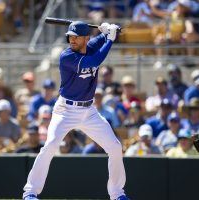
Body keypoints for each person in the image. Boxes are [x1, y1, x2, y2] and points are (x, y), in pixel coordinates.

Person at [22, 21, 129, 200]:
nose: (72, 39)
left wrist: (106, 31)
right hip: (65, 110)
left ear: (86, 38)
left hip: (89, 111)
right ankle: (30, 192)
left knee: (115, 147)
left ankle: (117, 193)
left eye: (76, 37)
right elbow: (94, 61)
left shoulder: (89, 46)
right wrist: (109, 39)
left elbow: (97, 43)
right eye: (70, 36)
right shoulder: (67, 56)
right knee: (49, 146)